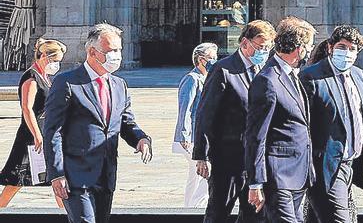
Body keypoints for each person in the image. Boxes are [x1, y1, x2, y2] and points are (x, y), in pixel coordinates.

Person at [43, 23, 153, 223]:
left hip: (106, 173)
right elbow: (53, 131)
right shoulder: (67, 82)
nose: (117, 55)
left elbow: (126, 122)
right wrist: (56, 173)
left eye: (119, 49)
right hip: (75, 175)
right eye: (111, 51)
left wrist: (141, 139)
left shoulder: (119, 85)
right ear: (93, 52)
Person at [300, 25, 363, 223]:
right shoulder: (311, 77)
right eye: (341, 47)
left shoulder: (358, 75)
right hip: (324, 167)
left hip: (350, 164)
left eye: (352, 48)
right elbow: (301, 125)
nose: (346, 53)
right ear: (330, 47)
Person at [193, 19, 276, 223]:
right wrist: (202, 155)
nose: (264, 52)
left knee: (254, 213)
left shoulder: (265, 70)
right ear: (244, 43)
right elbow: (206, 114)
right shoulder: (224, 70)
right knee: (219, 211)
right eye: (261, 46)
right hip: (227, 158)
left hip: (255, 159)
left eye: (268, 47)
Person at [245, 17, 317, 223]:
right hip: (278, 177)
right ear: (299, 49)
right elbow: (255, 136)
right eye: (309, 47)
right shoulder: (268, 80)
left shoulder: (292, 75)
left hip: (299, 175)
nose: (311, 52)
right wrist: (255, 183)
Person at [0, 37, 66, 202]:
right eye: (56, 60)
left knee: (57, 178)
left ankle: (68, 214)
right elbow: (27, 108)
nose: (57, 65)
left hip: (45, 134)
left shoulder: (44, 76)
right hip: (31, 137)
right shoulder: (31, 78)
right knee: (16, 181)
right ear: (44, 56)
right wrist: (37, 135)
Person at [175, 42, 217, 209]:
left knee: (195, 176)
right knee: (205, 173)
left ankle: (189, 208)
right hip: (192, 137)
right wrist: (184, 135)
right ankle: (196, 207)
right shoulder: (192, 79)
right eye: (211, 58)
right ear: (201, 60)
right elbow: (185, 108)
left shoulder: (206, 78)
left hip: (199, 135)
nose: (215, 61)